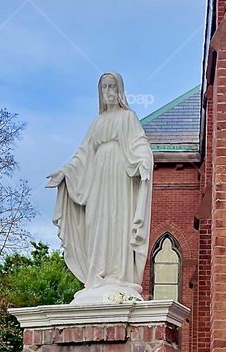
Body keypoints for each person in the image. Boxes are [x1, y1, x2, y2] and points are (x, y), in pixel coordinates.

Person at [48, 71, 153, 303]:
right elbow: (83, 154)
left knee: (118, 222)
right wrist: (64, 172)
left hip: (120, 176)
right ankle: (98, 277)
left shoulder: (128, 117)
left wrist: (144, 160)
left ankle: (120, 276)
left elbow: (139, 143)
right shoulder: (96, 123)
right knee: (97, 222)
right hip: (98, 179)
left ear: (120, 91)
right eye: (104, 87)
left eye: (112, 87)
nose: (108, 92)